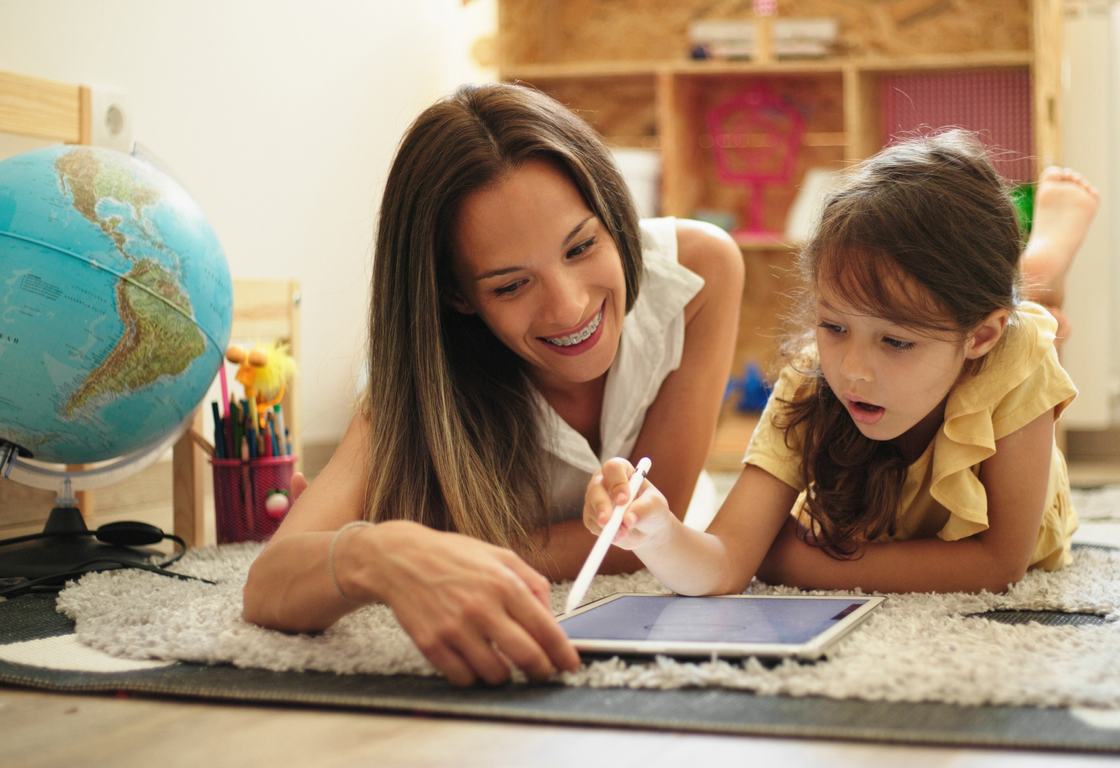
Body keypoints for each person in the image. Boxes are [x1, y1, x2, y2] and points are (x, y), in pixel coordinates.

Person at [242, 81, 745, 686]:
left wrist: (452, 543)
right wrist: (381, 552)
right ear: (456, 295)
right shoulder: (416, 381)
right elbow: (267, 585)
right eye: (510, 285)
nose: (570, 307)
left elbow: (635, 536)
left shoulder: (699, 273)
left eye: (582, 246)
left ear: (613, 214)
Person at [582, 131, 1101, 597]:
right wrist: (659, 534)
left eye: (895, 342)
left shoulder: (1011, 356)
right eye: (833, 327)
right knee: (997, 302)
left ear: (978, 338)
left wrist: (794, 560)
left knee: (1031, 316)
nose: (852, 370)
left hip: (998, 345)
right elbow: (724, 564)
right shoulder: (811, 380)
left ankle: (1048, 250)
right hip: (969, 323)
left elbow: (997, 564)